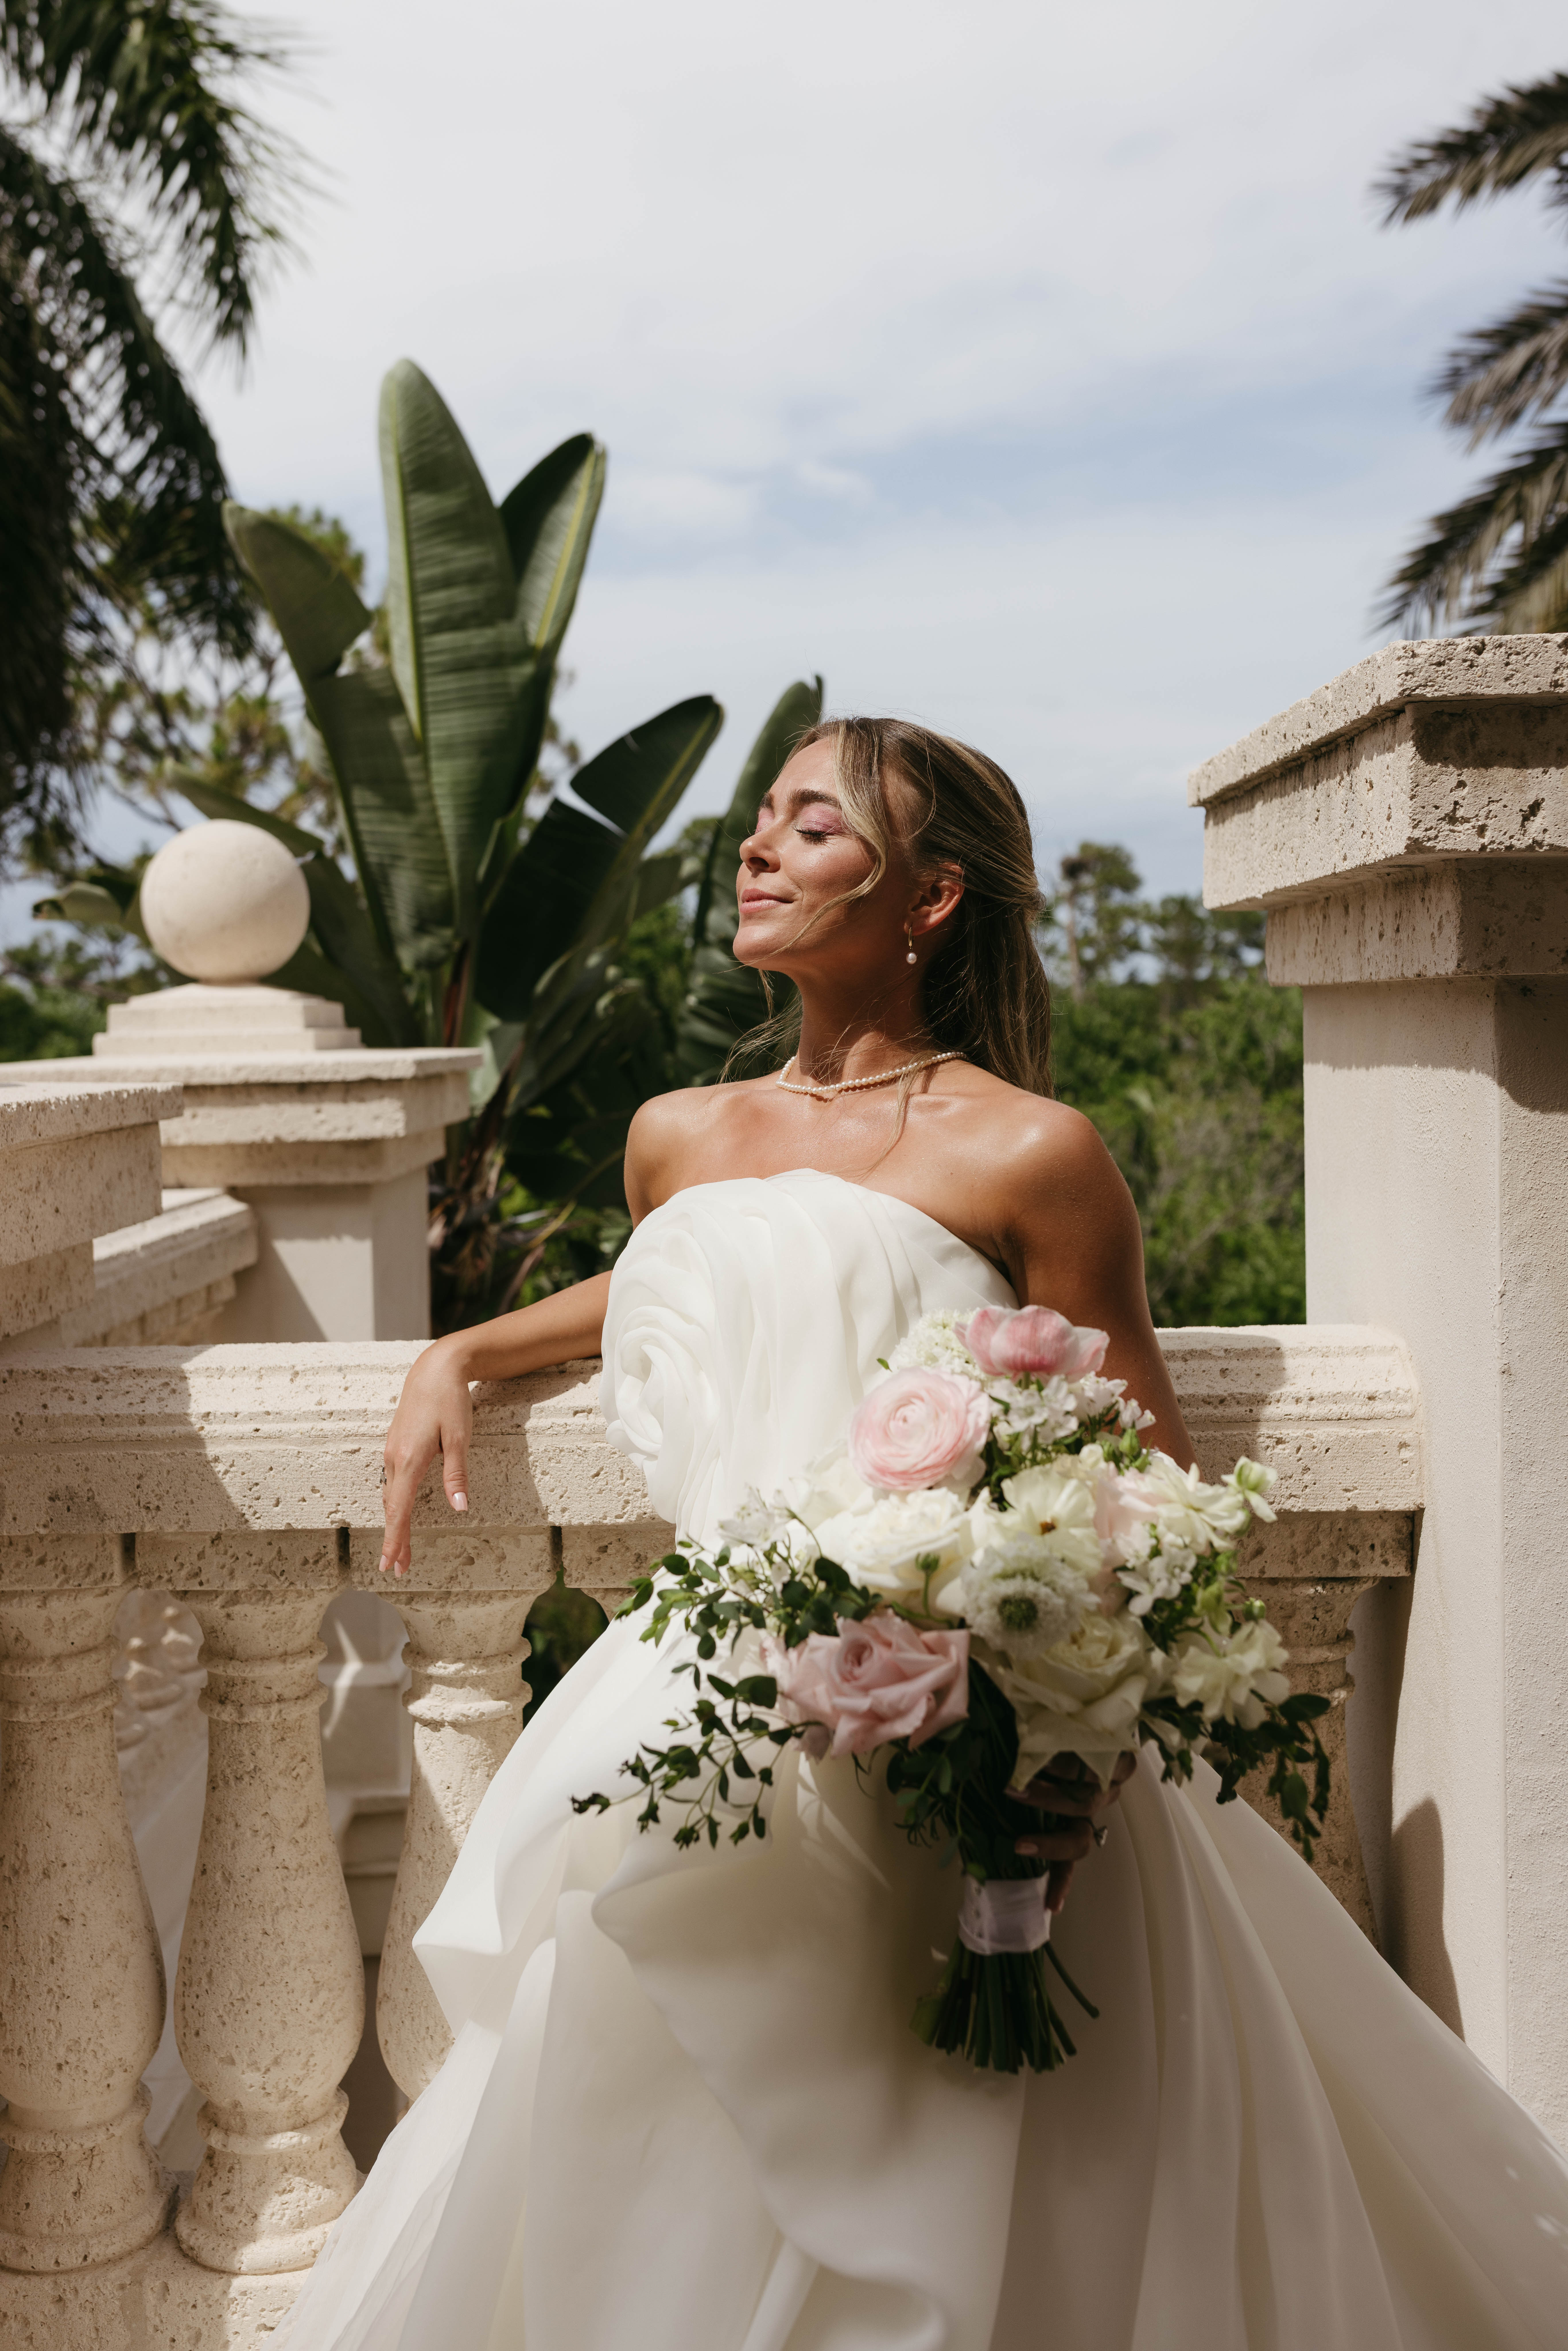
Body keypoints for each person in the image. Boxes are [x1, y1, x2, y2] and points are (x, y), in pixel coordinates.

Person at [280, 719, 1568, 2351]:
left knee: (997, 2172)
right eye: (759, 822)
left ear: (929, 896)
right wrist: (467, 1347)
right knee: (650, 2129)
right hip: (702, 1714)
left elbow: (1145, 1474)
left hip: (953, 1727)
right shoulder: (678, 1131)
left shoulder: (1032, 1152)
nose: (753, 849)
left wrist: (1063, 1738)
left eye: (809, 828)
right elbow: (698, 1277)